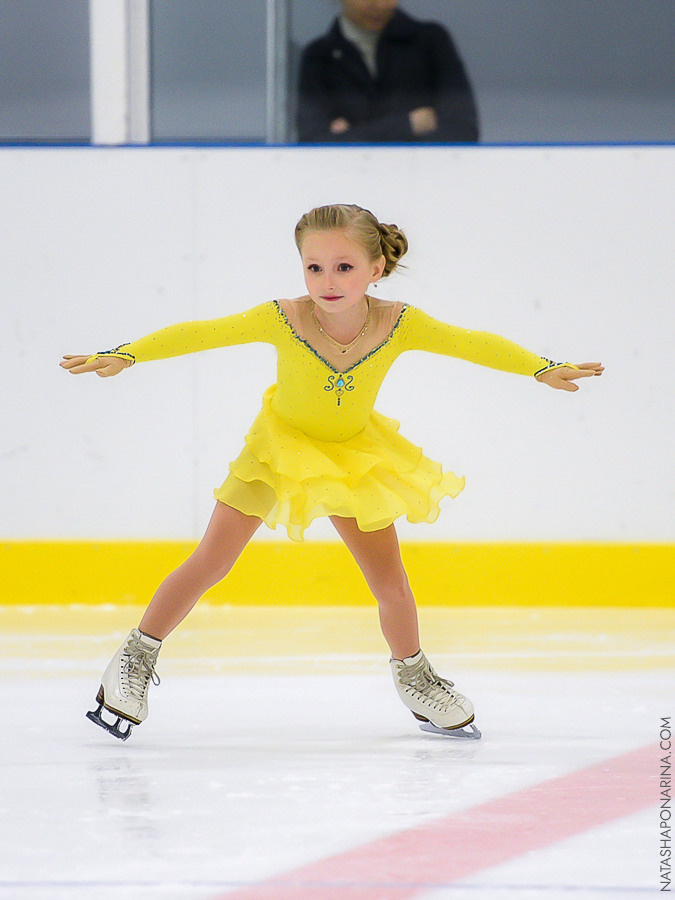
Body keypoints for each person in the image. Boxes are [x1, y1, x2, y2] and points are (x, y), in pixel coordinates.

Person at [61, 203, 602, 742]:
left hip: (352, 459)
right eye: (313, 267)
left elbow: (470, 342)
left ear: (376, 269)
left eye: (344, 267)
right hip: (276, 452)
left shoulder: (399, 323)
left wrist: (542, 367)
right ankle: (131, 662)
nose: (327, 280)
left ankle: (415, 678)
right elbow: (205, 332)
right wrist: (127, 355)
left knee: (391, 583)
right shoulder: (284, 317)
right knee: (211, 562)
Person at [297, 0, 479, 143]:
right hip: (349, 184)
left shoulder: (431, 42)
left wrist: (351, 135)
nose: (381, 5)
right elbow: (313, 142)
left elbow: (462, 130)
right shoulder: (318, 57)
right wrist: (408, 124)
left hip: (425, 182)